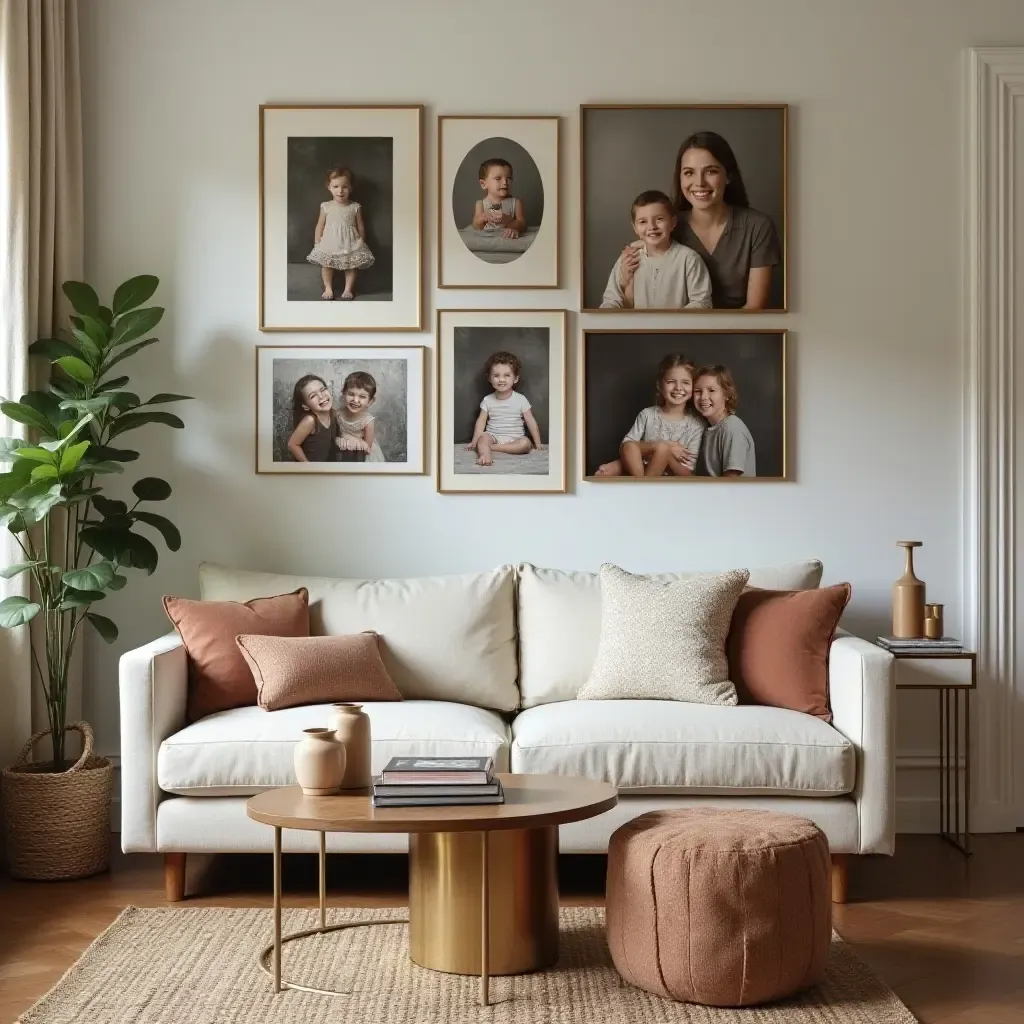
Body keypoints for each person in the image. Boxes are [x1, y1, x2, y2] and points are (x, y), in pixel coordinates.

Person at [614, 132, 781, 309]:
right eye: (689, 173)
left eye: (711, 171)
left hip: (738, 333)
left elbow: (755, 308)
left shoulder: (757, 227)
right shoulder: (665, 227)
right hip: (675, 333)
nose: (699, 182)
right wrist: (625, 281)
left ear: (729, 176)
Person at [595, 354, 705, 477]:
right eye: (670, 382)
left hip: (672, 482)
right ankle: (642, 484)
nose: (678, 388)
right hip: (641, 473)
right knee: (630, 445)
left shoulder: (696, 425)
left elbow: (687, 473)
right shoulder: (648, 414)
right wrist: (659, 446)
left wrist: (665, 454)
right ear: (660, 385)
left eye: (685, 382)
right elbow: (626, 448)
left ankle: (640, 484)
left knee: (662, 450)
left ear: (693, 386)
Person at [600, 190, 711, 309]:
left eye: (659, 219)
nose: (652, 227)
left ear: (673, 223)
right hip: (636, 327)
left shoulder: (689, 260)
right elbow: (610, 301)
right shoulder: (627, 259)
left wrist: (671, 323)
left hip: (676, 327)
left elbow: (702, 303)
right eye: (643, 221)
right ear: (635, 228)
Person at [306, 166, 375, 300]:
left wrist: (361, 240)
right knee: (327, 265)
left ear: (350, 188)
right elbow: (320, 225)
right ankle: (328, 288)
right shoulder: (326, 206)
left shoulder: (355, 207)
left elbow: (360, 225)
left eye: (345, 187)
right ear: (329, 187)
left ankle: (348, 289)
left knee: (350, 266)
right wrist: (317, 241)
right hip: (330, 241)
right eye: (336, 186)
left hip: (350, 241)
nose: (340, 191)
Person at [466, 351, 544, 467]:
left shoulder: (521, 400)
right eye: (496, 376)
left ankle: (493, 448)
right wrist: (474, 441)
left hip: (515, 438)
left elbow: (531, 422)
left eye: (507, 375)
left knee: (526, 444)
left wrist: (538, 443)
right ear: (489, 379)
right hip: (493, 436)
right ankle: (485, 455)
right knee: (483, 439)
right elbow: (481, 422)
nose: (501, 380)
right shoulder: (488, 400)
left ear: (515, 378)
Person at [693, 365, 756, 476]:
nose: (703, 397)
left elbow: (731, 483)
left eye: (711, 390)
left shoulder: (731, 429)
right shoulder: (707, 427)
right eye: (698, 391)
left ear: (726, 394)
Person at [335, 370, 385, 462]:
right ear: (343, 392)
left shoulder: (367, 421)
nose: (355, 400)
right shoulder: (336, 414)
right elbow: (331, 435)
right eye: (351, 394)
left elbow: (367, 448)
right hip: (342, 451)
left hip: (361, 456)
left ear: (370, 401)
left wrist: (351, 439)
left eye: (362, 396)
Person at [286, 374, 338, 462]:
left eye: (323, 390)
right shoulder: (310, 421)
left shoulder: (333, 413)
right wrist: (308, 467)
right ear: (305, 406)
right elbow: (292, 445)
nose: (321, 396)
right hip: (311, 470)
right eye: (313, 396)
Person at [471, 158, 526, 239]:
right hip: (487, 240)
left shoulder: (516, 202)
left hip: (507, 239)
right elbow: (477, 225)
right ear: (483, 184)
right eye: (498, 179)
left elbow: (522, 224)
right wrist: (483, 219)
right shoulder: (480, 204)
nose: (505, 182)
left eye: (509, 178)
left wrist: (509, 222)